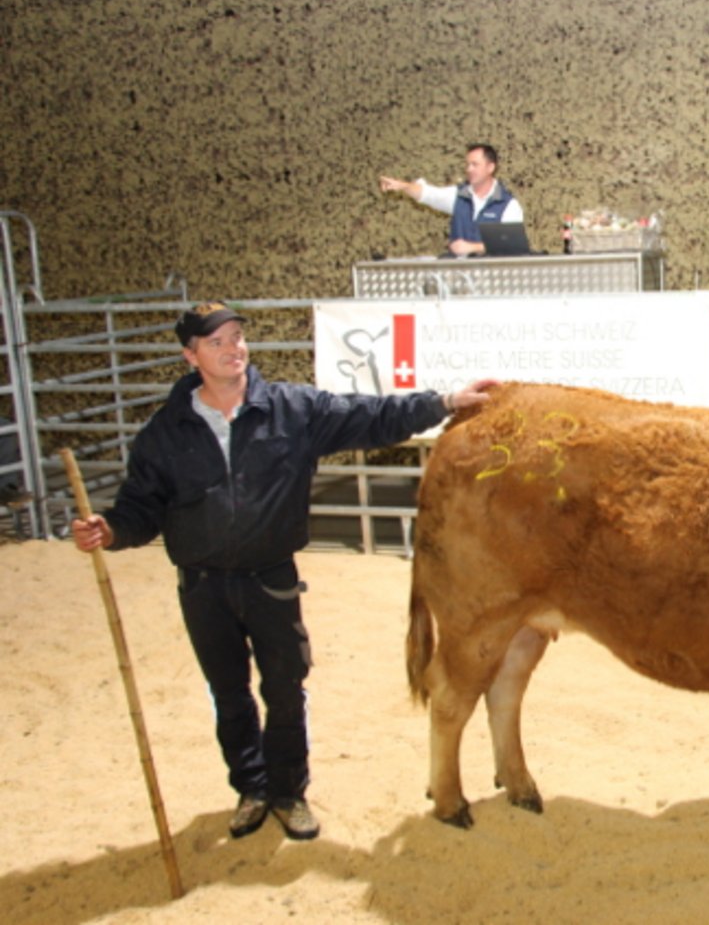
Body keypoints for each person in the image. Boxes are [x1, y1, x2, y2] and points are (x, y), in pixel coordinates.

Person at [72, 302, 498, 842]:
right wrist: (108, 531)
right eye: (217, 342)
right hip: (202, 585)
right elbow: (140, 506)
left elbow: (371, 416)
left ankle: (289, 792)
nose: (233, 348)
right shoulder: (166, 432)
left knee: (285, 687)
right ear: (190, 355)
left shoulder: (291, 409)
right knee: (227, 691)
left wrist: (442, 402)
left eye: (237, 336)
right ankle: (251, 789)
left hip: (270, 578)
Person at [379, 142, 523, 257]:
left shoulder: (508, 205)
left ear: (490, 167)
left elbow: (511, 245)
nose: (469, 169)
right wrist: (403, 186)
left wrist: (472, 248)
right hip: (459, 279)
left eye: (475, 164)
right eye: (467, 164)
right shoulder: (457, 195)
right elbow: (428, 194)